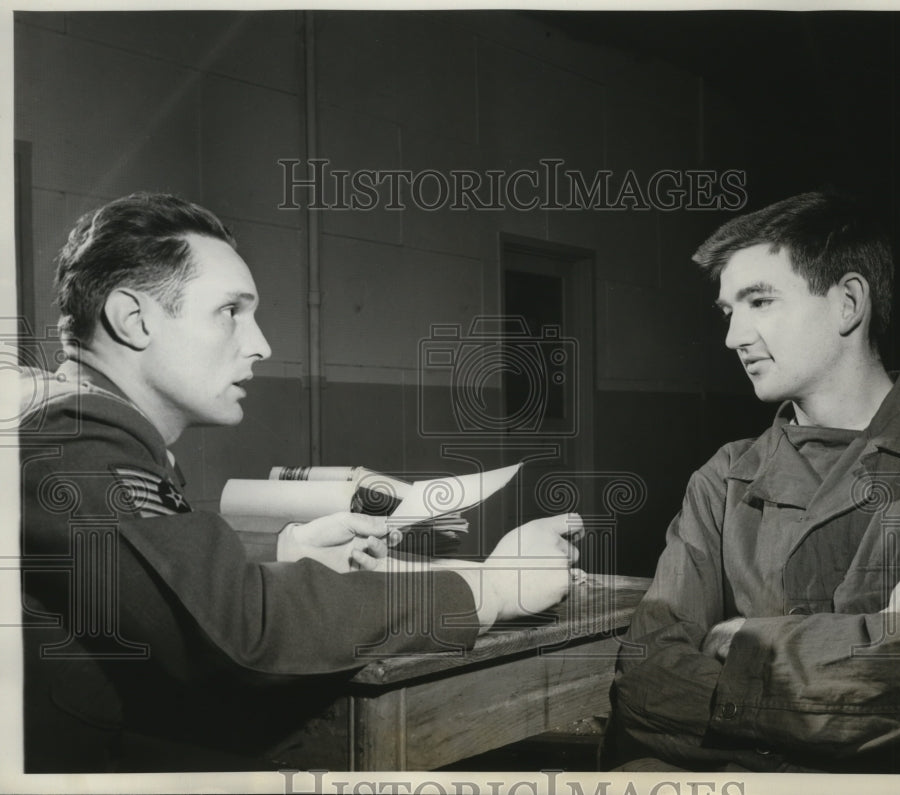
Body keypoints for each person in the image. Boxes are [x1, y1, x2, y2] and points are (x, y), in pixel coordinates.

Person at [19, 193, 581, 773]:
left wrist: (287, 551)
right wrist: (490, 590)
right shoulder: (75, 447)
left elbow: (148, 586)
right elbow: (243, 635)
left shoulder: (78, 431)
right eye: (231, 311)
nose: (260, 344)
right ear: (134, 320)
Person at [602, 191, 900, 773]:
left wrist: (740, 637)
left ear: (848, 302)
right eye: (729, 311)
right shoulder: (724, 478)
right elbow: (646, 685)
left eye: (760, 301)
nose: (734, 337)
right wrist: (869, 641)